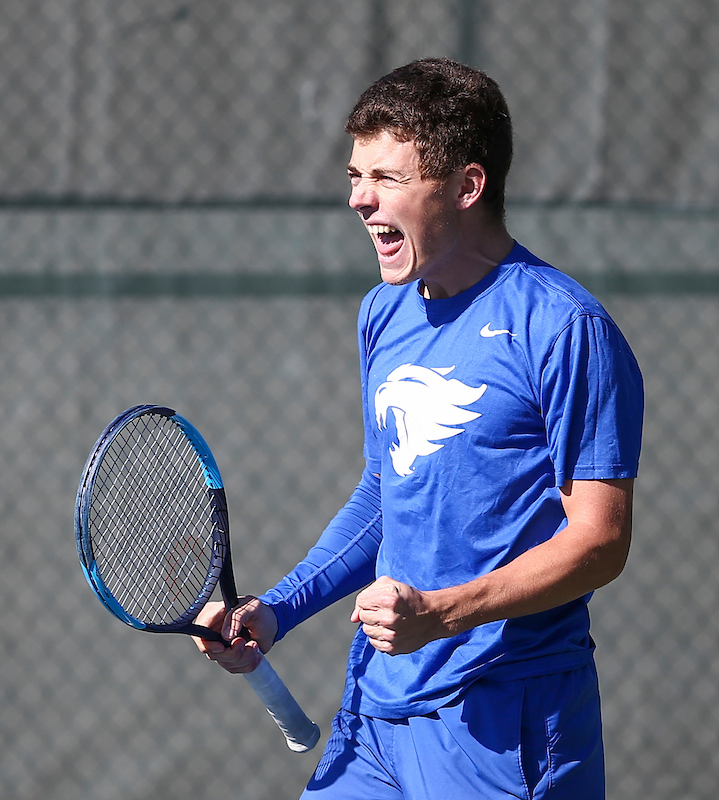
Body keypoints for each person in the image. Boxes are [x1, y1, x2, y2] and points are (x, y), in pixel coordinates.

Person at [195, 57, 643, 799]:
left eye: (387, 179)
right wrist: (275, 611)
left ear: (467, 187)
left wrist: (441, 615)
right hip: (377, 713)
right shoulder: (385, 312)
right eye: (354, 175)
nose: (359, 199)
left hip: (503, 724)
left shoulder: (565, 329)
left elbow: (600, 540)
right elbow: (385, 492)